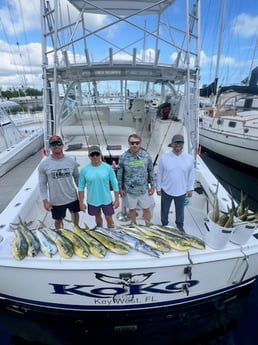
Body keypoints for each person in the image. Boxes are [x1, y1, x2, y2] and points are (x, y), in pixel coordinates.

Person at [38, 135, 80, 229]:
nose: (56, 146)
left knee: (75, 214)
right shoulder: (44, 164)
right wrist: (45, 201)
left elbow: (77, 179)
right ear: (50, 147)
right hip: (56, 201)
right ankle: (61, 235)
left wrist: (82, 196)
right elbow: (42, 184)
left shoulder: (71, 161)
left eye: (58, 143)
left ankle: (77, 231)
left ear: (62, 145)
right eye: (53, 144)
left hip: (72, 197)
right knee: (58, 221)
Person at [156, 134, 194, 232]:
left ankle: (180, 225)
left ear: (183, 144)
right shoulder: (164, 158)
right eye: (176, 143)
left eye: (180, 143)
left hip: (181, 190)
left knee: (180, 211)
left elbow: (191, 175)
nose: (178, 145)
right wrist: (158, 188)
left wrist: (190, 189)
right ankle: (164, 224)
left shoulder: (189, 158)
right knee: (164, 209)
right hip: (166, 189)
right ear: (172, 144)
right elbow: (159, 173)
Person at [117, 133, 155, 225]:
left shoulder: (146, 155)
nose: (135, 145)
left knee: (146, 209)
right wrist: (120, 188)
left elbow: (151, 170)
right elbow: (120, 173)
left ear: (140, 143)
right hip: (129, 190)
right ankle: (133, 225)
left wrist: (153, 185)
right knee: (131, 209)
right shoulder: (123, 157)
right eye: (132, 143)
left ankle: (148, 226)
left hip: (143, 190)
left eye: (137, 143)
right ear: (129, 144)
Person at [78, 145, 119, 228]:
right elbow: (81, 187)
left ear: (100, 154)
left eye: (97, 154)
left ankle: (111, 235)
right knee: (98, 218)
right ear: (89, 156)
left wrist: (117, 200)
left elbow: (115, 184)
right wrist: (81, 203)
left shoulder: (108, 168)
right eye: (92, 155)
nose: (95, 157)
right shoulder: (84, 170)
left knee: (109, 219)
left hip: (106, 199)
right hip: (92, 200)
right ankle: (101, 232)